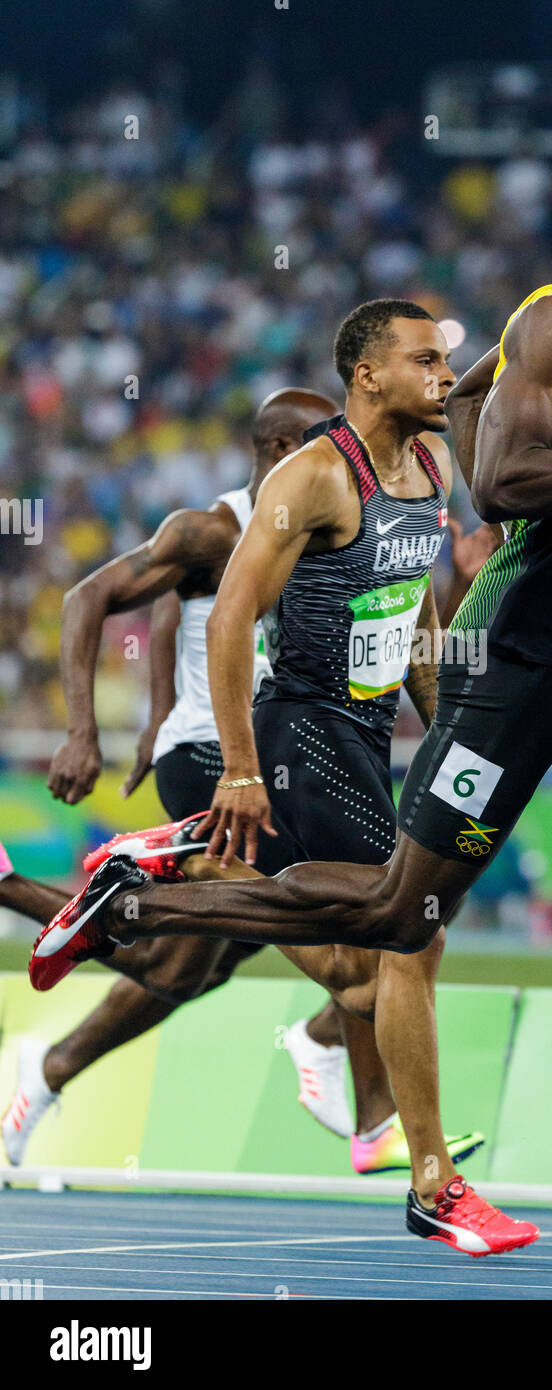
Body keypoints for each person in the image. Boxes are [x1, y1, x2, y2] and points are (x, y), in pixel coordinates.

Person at [53, 156, 552, 1228]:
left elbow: (473, 404)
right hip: (522, 655)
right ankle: (138, 900)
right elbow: (507, 483)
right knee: (398, 914)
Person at [5, 383, 484, 1177]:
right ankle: (368, 1113)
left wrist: (460, 591)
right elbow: (98, 597)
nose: (339, 454)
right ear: (274, 452)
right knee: (364, 930)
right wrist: (92, 731)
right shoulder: (211, 530)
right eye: (317, 442)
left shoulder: (341, 515)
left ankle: (50, 1056)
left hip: (281, 754)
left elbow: (396, 629)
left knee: (182, 969)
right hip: (221, 761)